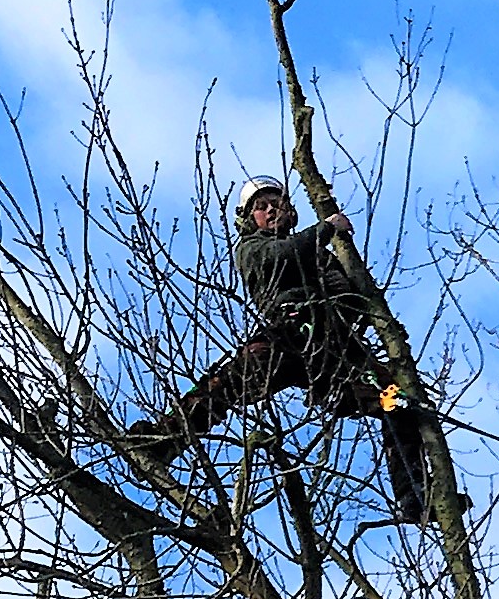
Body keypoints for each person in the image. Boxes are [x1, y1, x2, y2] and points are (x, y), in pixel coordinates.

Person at [139, 178, 438, 515]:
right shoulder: (252, 249)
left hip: (334, 355)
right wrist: (326, 228)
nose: (270, 210)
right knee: (224, 385)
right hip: (287, 338)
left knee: (396, 401)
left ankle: (415, 494)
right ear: (250, 218)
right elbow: (281, 255)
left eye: (276, 203)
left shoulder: (322, 258)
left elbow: (353, 300)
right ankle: (162, 438)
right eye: (261, 207)